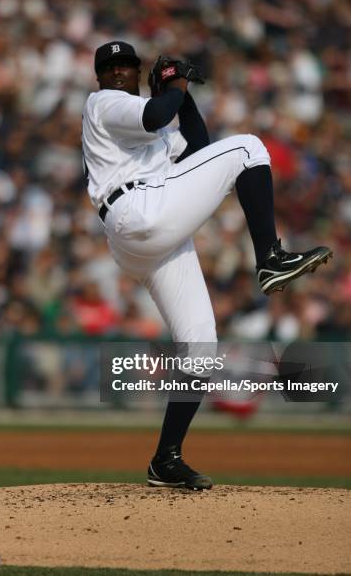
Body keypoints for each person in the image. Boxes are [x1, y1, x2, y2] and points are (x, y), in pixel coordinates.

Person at [81, 41, 332, 490]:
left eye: (126, 66)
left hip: (150, 232)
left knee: (200, 347)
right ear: (99, 76)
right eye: (110, 67)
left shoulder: (153, 132)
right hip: (137, 210)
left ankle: (166, 458)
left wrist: (184, 94)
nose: (118, 72)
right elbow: (156, 115)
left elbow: (197, 146)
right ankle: (270, 257)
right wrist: (174, 86)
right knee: (250, 148)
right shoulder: (105, 103)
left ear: (138, 72)